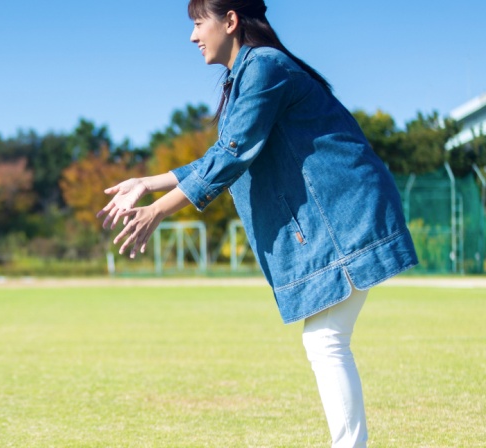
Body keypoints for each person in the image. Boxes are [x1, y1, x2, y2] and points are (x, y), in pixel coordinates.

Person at [97, 1, 417, 447]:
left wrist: (158, 211)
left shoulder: (265, 66)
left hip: (347, 214)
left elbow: (232, 155)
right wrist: (147, 184)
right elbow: (222, 152)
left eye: (197, 23)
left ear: (230, 21)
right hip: (342, 212)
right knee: (325, 340)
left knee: (325, 341)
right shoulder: (248, 74)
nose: (192, 37)